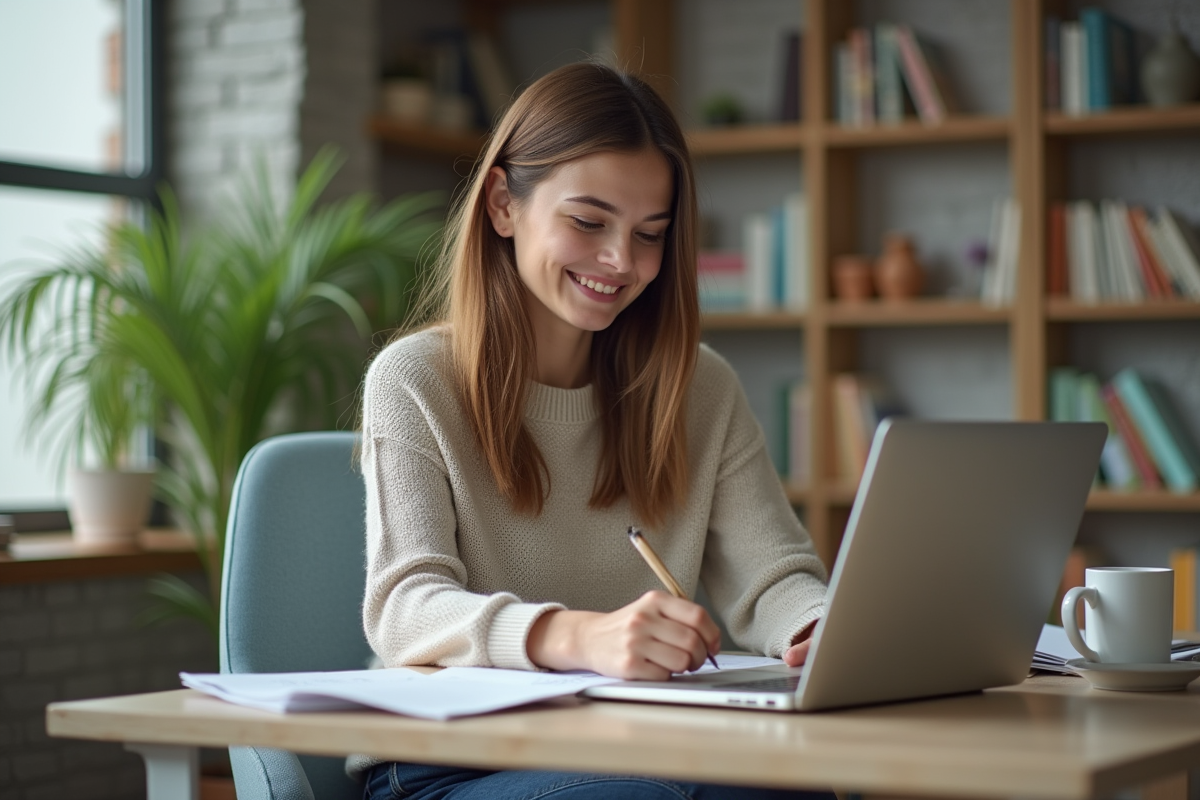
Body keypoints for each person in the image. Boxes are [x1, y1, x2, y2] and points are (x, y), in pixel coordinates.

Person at [354, 61, 831, 800]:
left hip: (638, 741)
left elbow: (774, 581)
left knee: (802, 788)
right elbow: (405, 608)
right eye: (588, 222)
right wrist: (580, 638)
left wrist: (822, 628)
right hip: (455, 758)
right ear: (503, 204)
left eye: (651, 234)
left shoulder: (698, 385)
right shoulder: (414, 380)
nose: (622, 262)